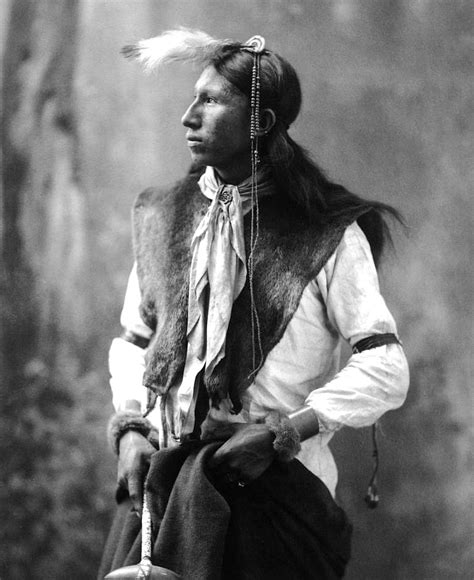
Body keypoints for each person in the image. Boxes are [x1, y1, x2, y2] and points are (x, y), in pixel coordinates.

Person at [99, 29, 409, 580]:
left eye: (212, 100)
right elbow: (135, 341)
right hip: (163, 498)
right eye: (194, 97)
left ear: (260, 124)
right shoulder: (165, 217)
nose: (188, 116)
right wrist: (130, 430)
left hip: (275, 500)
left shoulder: (324, 234)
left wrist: (283, 433)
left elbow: (386, 367)